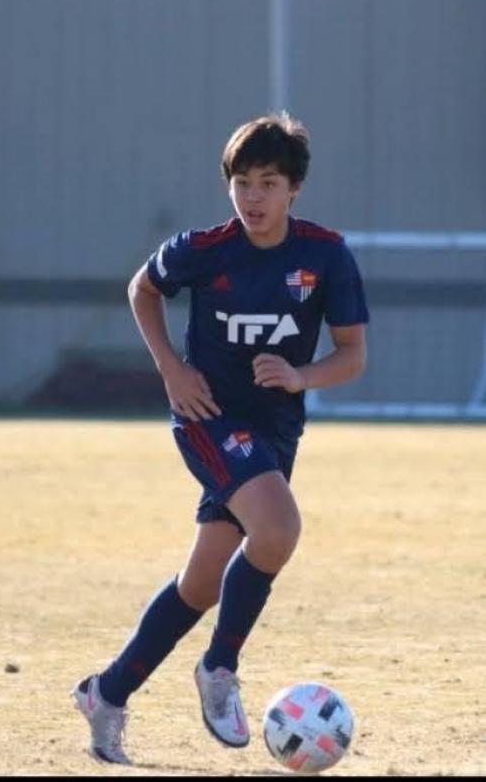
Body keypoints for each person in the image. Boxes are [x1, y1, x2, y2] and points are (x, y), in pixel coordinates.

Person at [71, 112, 369, 765]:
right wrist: (171, 369)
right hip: (207, 416)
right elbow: (143, 289)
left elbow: (352, 355)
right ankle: (219, 668)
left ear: (294, 190)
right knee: (279, 529)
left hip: (275, 431)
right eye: (242, 182)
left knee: (202, 585)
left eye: (268, 183)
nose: (252, 197)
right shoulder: (204, 248)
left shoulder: (325, 255)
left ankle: (106, 694)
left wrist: (300, 375)